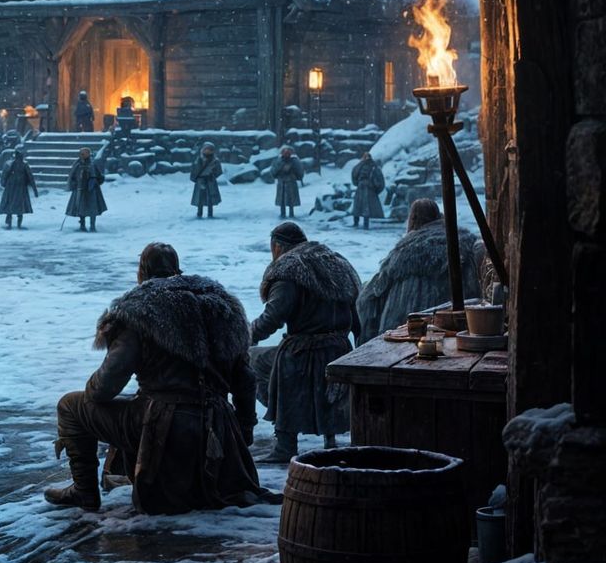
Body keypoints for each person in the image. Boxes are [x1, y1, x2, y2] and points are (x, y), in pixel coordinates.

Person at [44, 242, 270, 514]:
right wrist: (243, 430)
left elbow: (104, 387)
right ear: (177, 270)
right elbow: (244, 380)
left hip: (164, 423)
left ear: (141, 273)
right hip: (219, 424)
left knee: (70, 405)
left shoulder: (139, 310)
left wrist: (94, 394)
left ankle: (84, 492)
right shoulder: (222, 307)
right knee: (138, 402)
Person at [248, 223, 361, 463]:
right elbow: (355, 310)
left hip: (302, 352)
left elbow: (273, 317)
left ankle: (285, 442)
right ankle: (329, 437)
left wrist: (245, 336)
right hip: (340, 349)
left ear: (277, 246)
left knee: (256, 360)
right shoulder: (335, 262)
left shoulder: (289, 271)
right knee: (284, 358)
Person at [356, 197, 485, 340]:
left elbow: (371, 297)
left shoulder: (402, 251)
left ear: (412, 220)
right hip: (456, 330)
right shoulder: (465, 243)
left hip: (403, 331)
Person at [65, 149, 106, 232]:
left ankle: (92, 226)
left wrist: (94, 182)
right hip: (80, 190)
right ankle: (82, 226)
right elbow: (72, 176)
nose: (82, 155)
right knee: (81, 208)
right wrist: (74, 184)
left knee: (93, 209)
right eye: (81, 154)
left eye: (84, 154)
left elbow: (99, 177)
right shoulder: (77, 164)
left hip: (92, 191)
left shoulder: (93, 164)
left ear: (88, 154)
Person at [0, 145, 37, 230]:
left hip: (15, 188)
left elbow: (4, 176)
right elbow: (30, 177)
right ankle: (14, 224)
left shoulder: (12, 164)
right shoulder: (16, 164)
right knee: (17, 207)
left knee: (12, 206)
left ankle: (11, 224)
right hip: (17, 188)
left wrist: (3, 183)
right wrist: (34, 190)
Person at [350, 152, 386, 230]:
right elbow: (380, 181)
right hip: (369, 188)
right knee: (366, 208)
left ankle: (356, 223)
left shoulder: (359, 166)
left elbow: (354, 176)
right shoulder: (374, 167)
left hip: (362, 187)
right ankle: (364, 225)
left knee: (358, 207)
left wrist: (358, 183)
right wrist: (376, 189)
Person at [189, 142, 223, 220]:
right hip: (200, 180)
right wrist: (196, 178)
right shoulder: (199, 159)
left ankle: (210, 213)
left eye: (210, 150)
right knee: (200, 198)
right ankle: (199, 213)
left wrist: (212, 175)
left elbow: (219, 171)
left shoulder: (215, 160)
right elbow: (194, 169)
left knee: (210, 198)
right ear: (203, 150)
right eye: (206, 149)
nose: (208, 151)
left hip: (210, 180)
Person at [273, 146, 304, 219]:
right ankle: (282, 213)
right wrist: (279, 168)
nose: (286, 154)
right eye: (285, 152)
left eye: (288, 152)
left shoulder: (295, 161)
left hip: (291, 183)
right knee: (282, 200)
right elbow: (273, 171)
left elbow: (300, 172)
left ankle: (291, 213)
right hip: (282, 183)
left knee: (291, 200)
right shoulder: (278, 161)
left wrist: (296, 175)